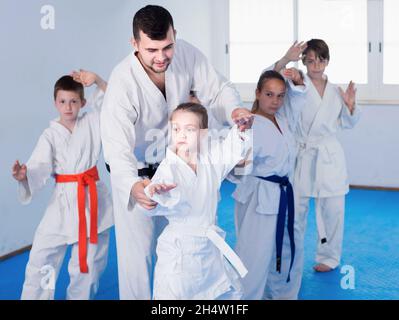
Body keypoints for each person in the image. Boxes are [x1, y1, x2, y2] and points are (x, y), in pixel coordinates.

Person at [100, 5, 252, 299]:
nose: (161, 57)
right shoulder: (122, 82)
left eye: (167, 47)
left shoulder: (187, 54)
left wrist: (233, 110)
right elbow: (116, 148)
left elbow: (218, 89)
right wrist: (134, 186)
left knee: (185, 253)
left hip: (181, 165)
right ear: (135, 45)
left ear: (175, 36)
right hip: (140, 175)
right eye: (151, 49)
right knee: (138, 261)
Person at [12, 71, 113, 300]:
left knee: (88, 264)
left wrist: (97, 80)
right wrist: (24, 176)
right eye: (62, 101)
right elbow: (38, 165)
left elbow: (114, 103)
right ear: (55, 103)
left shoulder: (92, 121)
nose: (68, 107)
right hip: (63, 201)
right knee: (41, 258)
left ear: (83, 103)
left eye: (74, 101)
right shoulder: (50, 135)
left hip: (91, 198)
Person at [273, 39, 362, 299]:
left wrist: (350, 105)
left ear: (327, 61)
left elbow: (349, 123)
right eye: (310, 60)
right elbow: (272, 81)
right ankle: (294, 258)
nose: (315, 65)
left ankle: (329, 257)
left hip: (329, 156)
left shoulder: (336, 92)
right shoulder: (296, 84)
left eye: (320, 60)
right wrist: (284, 59)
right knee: (296, 212)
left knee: (333, 210)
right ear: (304, 62)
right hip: (303, 154)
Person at [137, 102, 252, 299]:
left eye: (189, 129)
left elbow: (231, 149)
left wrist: (242, 128)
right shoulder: (168, 168)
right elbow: (151, 205)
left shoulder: (210, 160)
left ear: (204, 134)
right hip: (179, 250)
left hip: (208, 247)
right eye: (176, 129)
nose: (181, 135)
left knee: (219, 293)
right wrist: (153, 192)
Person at [231, 56, 308, 300]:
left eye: (280, 95)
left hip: (285, 193)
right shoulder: (248, 125)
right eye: (269, 94)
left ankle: (283, 295)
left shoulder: (283, 120)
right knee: (254, 255)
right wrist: (239, 163)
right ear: (257, 93)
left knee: (287, 248)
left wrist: (296, 77)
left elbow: (298, 100)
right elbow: (236, 166)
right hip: (258, 196)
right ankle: (245, 299)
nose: (275, 101)